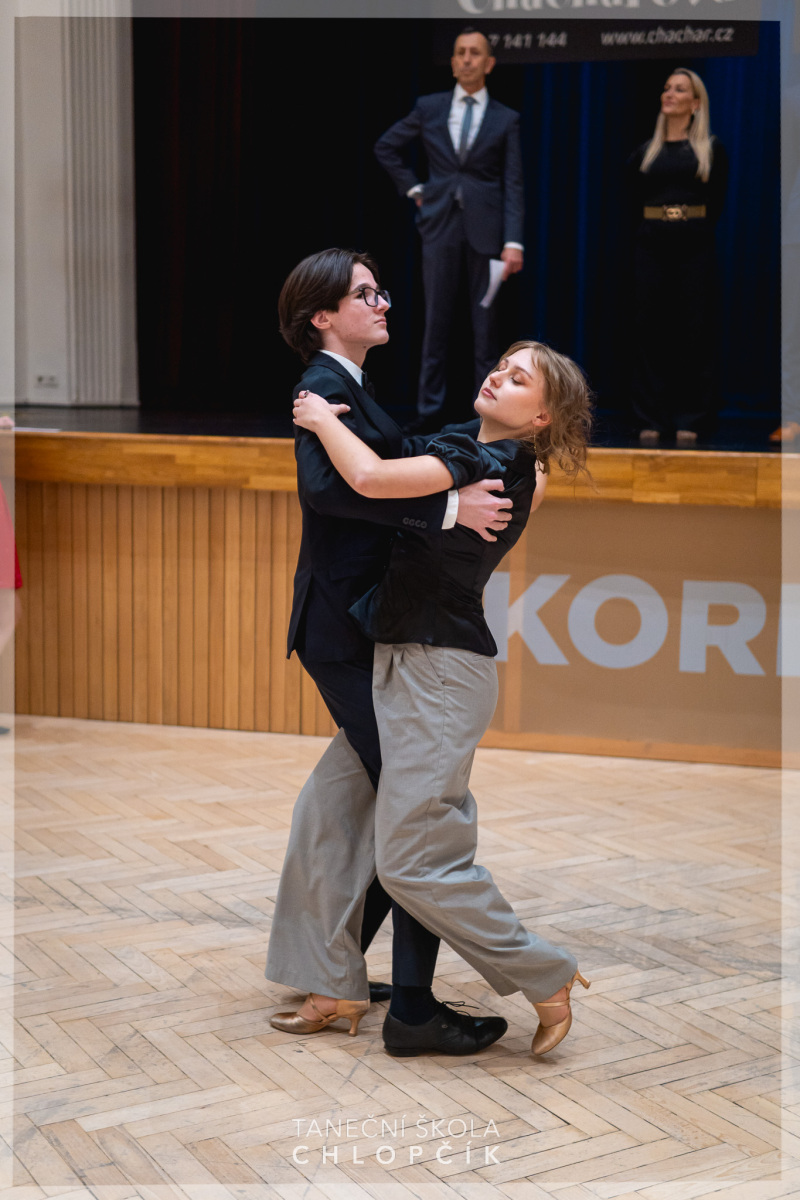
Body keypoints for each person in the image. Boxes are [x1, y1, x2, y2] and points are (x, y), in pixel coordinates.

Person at [291, 339, 592, 1057]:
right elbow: (395, 469)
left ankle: (545, 974)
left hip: (441, 674)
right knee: (326, 816)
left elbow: (369, 477)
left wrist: (319, 416)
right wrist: (439, 503)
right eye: (500, 365)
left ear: (542, 416)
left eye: (518, 379)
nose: (497, 376)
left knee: (414, 860)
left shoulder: (492, 462)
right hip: (397, 659)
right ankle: (332, 981)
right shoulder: (469, 449)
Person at [265, 247, 514, 1055]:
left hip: (360, 626)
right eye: (364, 294)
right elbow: (331, 491)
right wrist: (446, 509)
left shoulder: (350, 388)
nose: (383, 304)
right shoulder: (323, 387)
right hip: (342, 629)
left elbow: (390, 461)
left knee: (387, 813)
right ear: (322, 316)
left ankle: (339, 984)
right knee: (411, 821)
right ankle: (405, 1007)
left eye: (380, 291)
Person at [374, 27, 524, 432]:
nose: (467, 59)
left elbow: (513, 181)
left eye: (475, 53)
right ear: (453, 62)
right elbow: (386, 146)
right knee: (435, 321)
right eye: (460, 52)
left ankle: (486, 415)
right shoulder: (431, 107)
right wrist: (414, 188)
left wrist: (513, 241)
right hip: (440, 225)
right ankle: (429, 410)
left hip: (487, 230)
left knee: (485, 328)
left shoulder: (505, 117)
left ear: (489, 63)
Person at [626, 69, 728, 445]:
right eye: (667, 88)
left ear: (695, 103)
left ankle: (691, 416)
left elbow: (717, 202)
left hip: (694, 245)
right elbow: (631, 201)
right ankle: (648, 417)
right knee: (648, 330)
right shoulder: (645, 152)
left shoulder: (710, 150)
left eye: (679, 89)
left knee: (694, 331)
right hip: (651, 245)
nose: (669, 93)